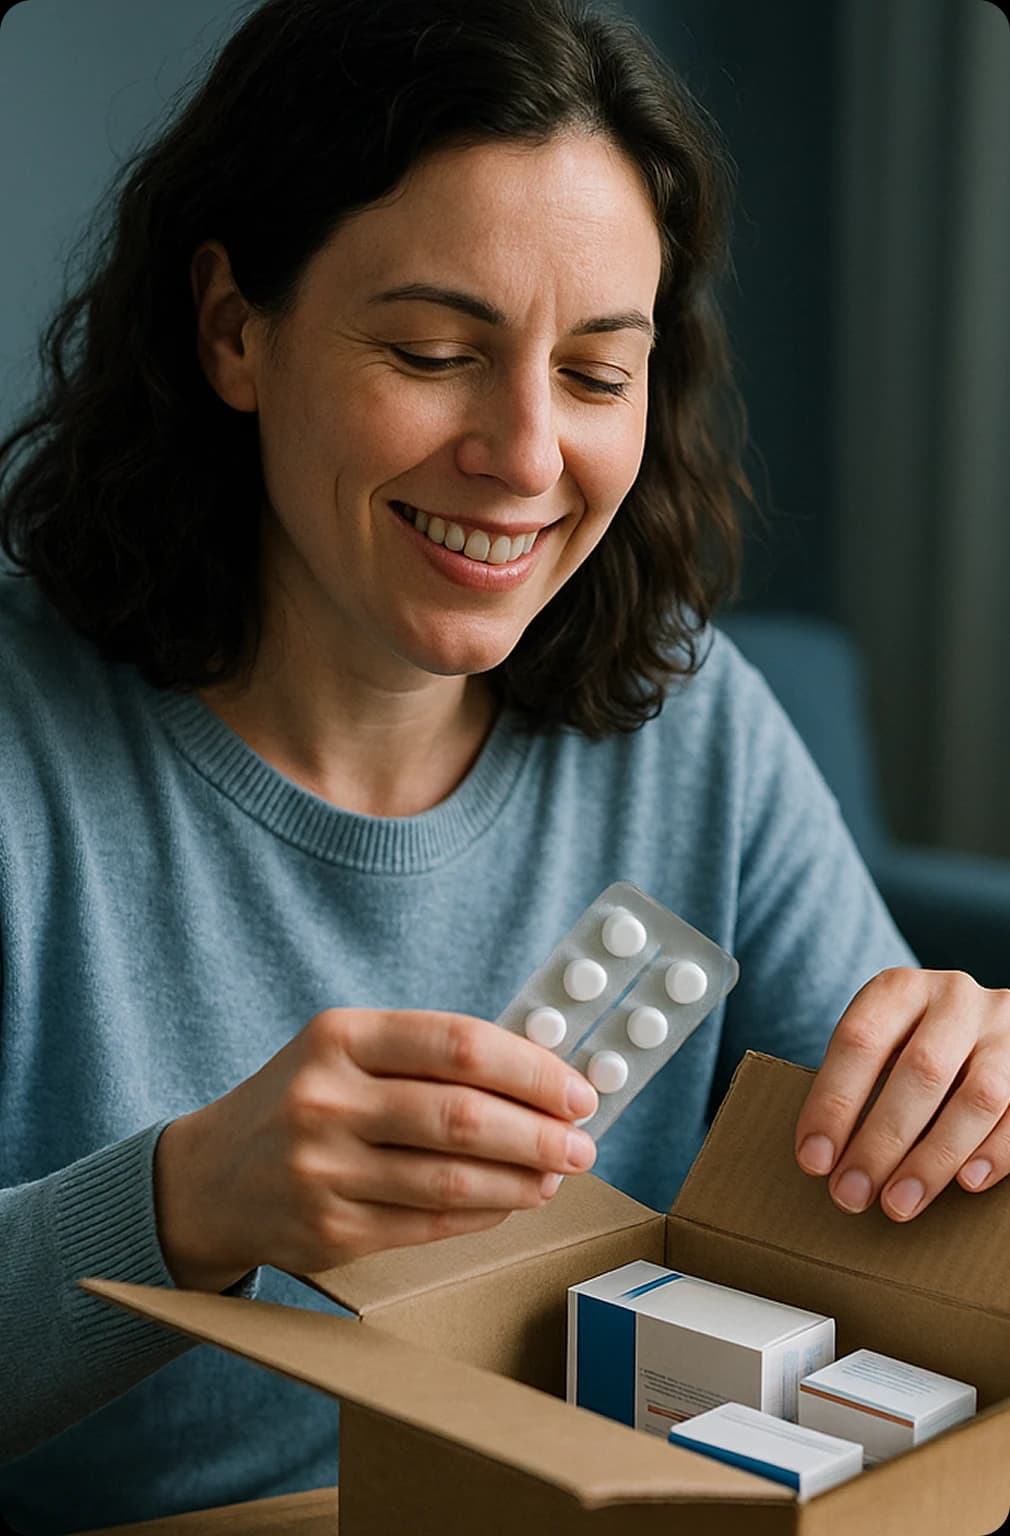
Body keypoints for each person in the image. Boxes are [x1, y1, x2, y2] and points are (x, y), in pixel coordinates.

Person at [0, 0, 1006, 1529]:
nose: (528, 456)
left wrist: (964, 1103)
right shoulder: (27, 755)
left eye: (599, 375)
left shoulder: (692, 723)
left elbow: (888, 1232)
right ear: (231, 332)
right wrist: (183, 1202)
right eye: (433, 351)